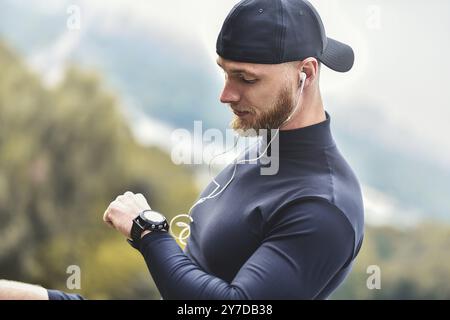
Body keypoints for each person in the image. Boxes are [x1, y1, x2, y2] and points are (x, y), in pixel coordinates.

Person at [1, 0, 364, 300]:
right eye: (225, 73)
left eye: (246, 78)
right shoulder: (272, 148)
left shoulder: (323, 207)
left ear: (307, 73)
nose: (226, 95)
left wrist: (148, 231)